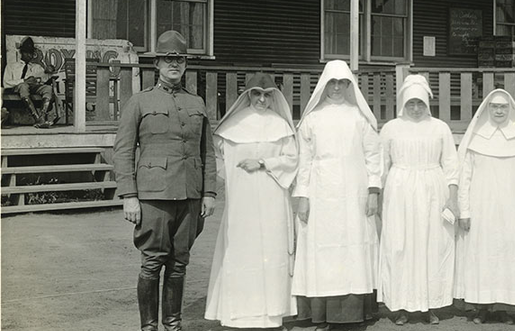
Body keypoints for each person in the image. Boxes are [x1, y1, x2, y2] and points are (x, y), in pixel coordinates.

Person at [113, 30, 217, 331]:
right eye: (169, 59)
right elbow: (122, 151)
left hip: (190, 195)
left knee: (179, 263)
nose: (175, 64)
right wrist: (129, 196)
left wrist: (209, 192)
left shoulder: (196, 103)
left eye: (180, 60)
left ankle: (173, 325)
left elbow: (206, 151)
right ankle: (149, 327)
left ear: (185, 64)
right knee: (152, 262)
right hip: (153, 197)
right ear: (157, 64)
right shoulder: (139, 102)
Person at [292, 60, 382, 331]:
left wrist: (373, 191)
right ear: (324, 85)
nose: (336, 88)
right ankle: (320, 315)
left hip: (354, 192)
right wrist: (303, 196)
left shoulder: (360, 117)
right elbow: (304, 161)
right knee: (323, 250)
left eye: (342, 83)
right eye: (332, 83)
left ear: (349, 85)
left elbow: (373, 157)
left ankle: (354, 314)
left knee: (353, 247)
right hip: (321, 193)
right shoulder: (312, 119)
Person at [205, 73, 299, 329]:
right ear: (248, 95)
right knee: (241, 250)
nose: (262, 99)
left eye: (267, 95)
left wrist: (263, 163)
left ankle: (271, 313)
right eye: (257, 94)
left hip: (272, 200)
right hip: (242, 202)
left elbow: (292, 160)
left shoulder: (280, 126)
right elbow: (218, 159)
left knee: (271, 251)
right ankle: (240, 313)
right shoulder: (233, 125)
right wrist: (234, 178)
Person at [455, 89, 515, 325]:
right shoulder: (476, 139)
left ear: (510, 109)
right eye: (494, 107)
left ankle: (506, 308)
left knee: (509, 257)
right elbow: (465, 178)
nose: (499, 111)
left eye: (503, 107)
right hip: (482, 210)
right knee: (484, 256)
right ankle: (483, 308)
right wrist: (465, 211)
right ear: (487, 109)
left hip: (513, 210)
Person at [379, 74, 459, 325]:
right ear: (404, 103)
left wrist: (453, 198)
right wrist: (378, 197)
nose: (415, 109)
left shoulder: (440, 128)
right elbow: (381, 166)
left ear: (428, 104)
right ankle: (401, 305)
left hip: (432, 191)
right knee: (401, 245)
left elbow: (450, 165)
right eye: (411, 103)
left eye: (420, 104)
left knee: (430, 246)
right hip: (400, 191)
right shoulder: (391, 128)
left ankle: (428, 305)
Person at [2, 36, 59, 128]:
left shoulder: (36, 66)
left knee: (48, 88)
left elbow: (44, 79)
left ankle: (42, 117)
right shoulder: (12, 66)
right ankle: (36, 118)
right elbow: (6, 82)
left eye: (31, 53)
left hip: (33, 88)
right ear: (21, 53)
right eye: (27, 53)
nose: (30, 55)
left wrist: (49, 71)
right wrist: (23, 81)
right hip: (18, 89)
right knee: (24, 86)